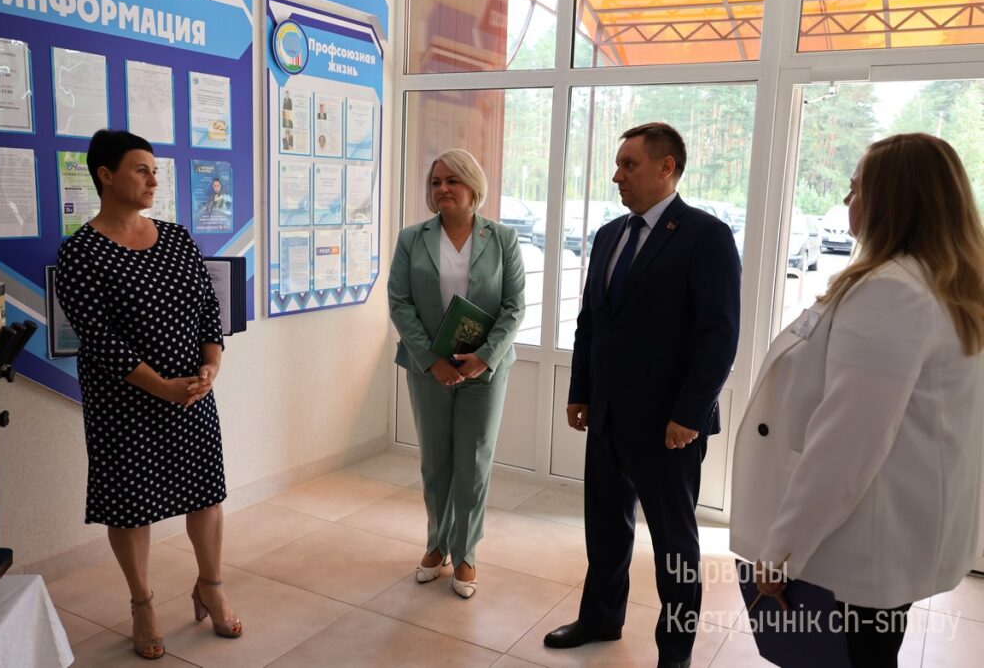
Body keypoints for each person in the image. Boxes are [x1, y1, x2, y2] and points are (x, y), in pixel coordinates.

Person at [730, 133, 984, 668]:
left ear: (894, 200)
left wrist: (781, 552)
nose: (846, 200)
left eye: (856, 187)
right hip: (896, 535)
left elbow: (846, 445)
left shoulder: (891, 291)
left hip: (856, 546)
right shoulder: (947, 284)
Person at [545, 123, 741, 668]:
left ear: (666, 167)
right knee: (606, 529)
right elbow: (591, 321)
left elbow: (719, 336)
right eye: (618, 165)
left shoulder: (705, 236)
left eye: (629, 165)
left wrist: (690, 414)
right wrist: (581, 390)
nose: (618, 176)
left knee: (675, 547)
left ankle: (675, 652)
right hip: (607, 416)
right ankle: (600, 618)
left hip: (668, 427)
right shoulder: (610, 235)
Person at [55, 130, 243, 660]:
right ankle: (142, 603)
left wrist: (211, 365)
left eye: (154, 171)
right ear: (105, 175)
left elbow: (208, 309)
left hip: (190, 393)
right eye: (141, 170)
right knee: (130, 506)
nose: (153, 180)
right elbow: (98, 337)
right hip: (124, 401)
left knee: (205, 493)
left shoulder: (177, 238)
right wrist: (160, 386)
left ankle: (211, 585)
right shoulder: (80, 252)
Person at [387, 148, 525, 599]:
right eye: (435, 182)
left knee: (474, 463)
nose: (442, 188)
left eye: (452, 180)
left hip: (484, 371)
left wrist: (485, 356)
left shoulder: (503, 239)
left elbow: (514, 306)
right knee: (436, 462)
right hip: (428, 368)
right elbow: (400, 303)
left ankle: (466, 552)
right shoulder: (412, 238)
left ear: (473, 186)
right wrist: (432, 359)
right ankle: (437, 544)